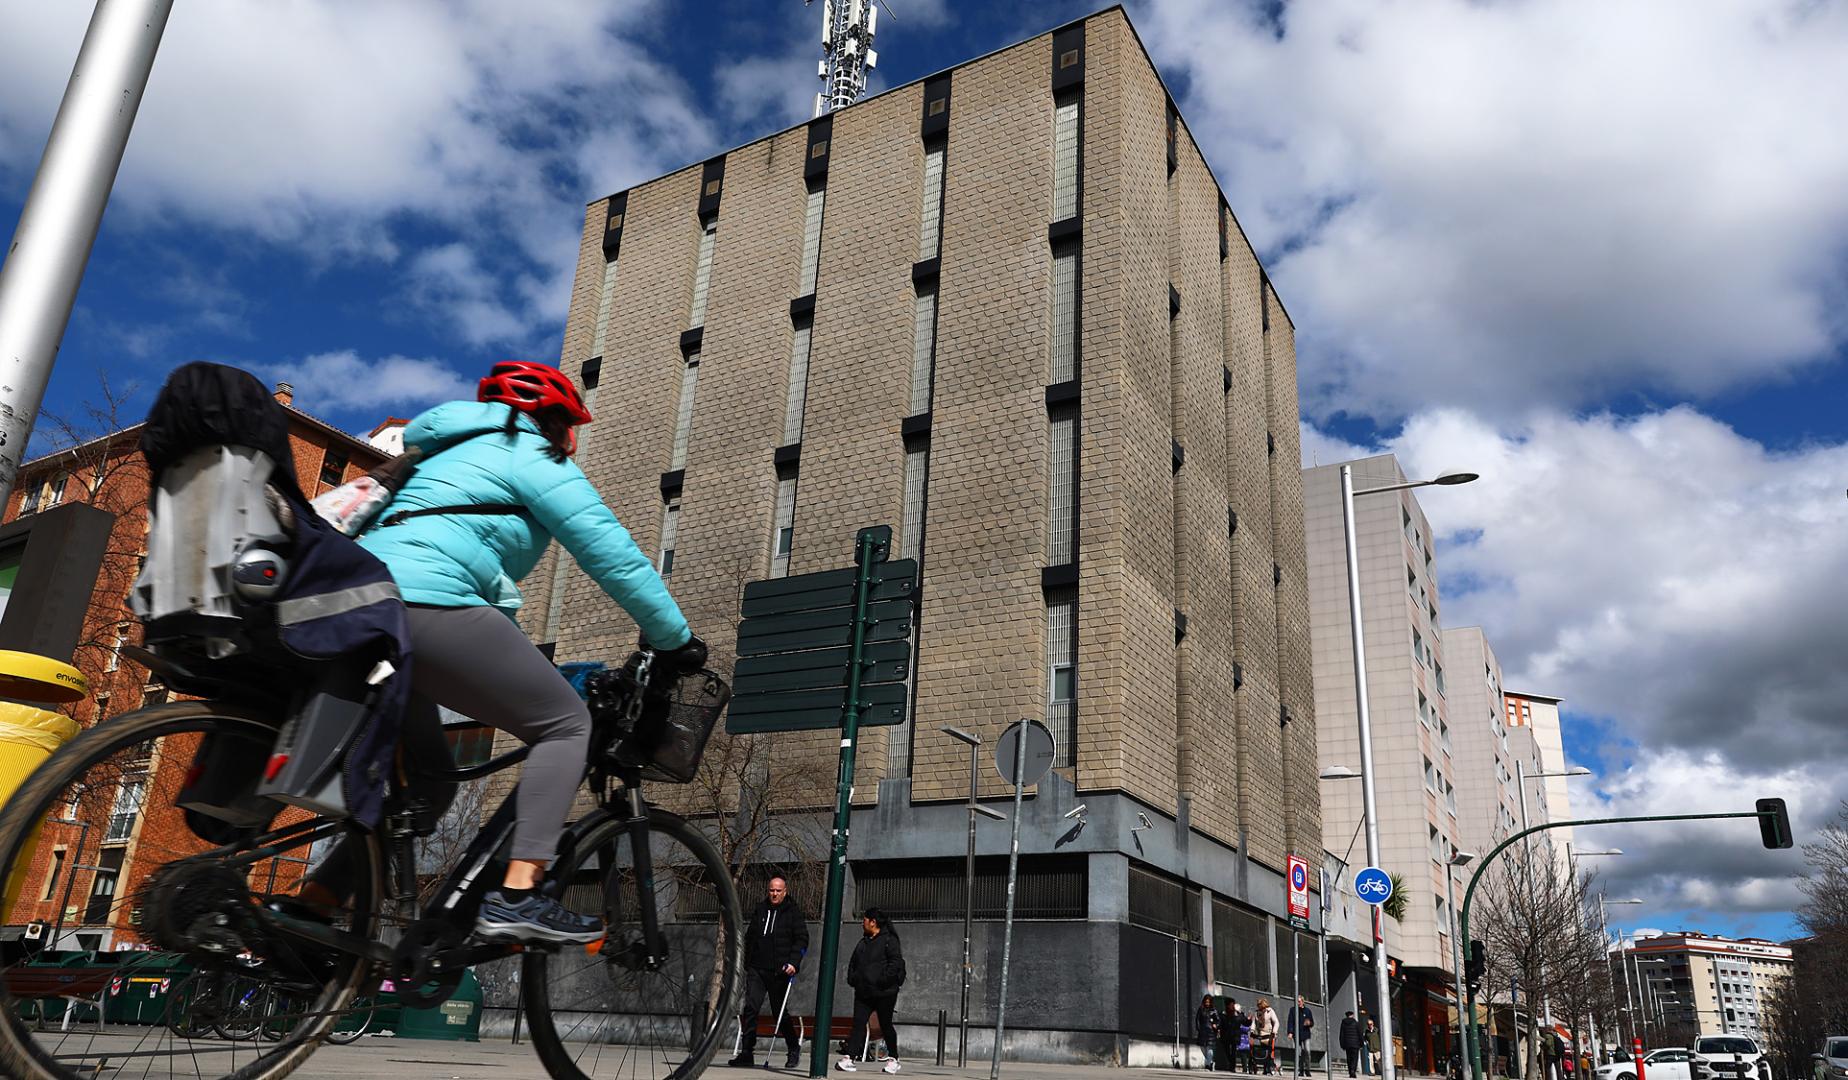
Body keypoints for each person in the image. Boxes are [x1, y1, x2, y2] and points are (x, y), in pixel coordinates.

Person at [298, 362, 704, 945]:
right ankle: (518, 895)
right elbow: (613, 556)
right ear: (559, 424)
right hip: (425, 605)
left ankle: (313, 906)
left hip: (359, 607)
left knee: (430, 785)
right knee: (565, 724)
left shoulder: (433, 457)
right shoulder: (531, 455)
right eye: (572, 430)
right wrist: (676, 639)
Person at [729, 875, 810, 1069]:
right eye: (771, 890)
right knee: (750, 1008)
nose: (774, 894)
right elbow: (750, 936)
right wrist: (746, 961)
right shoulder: (761, 908)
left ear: (785, 891)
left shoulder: (793, 912)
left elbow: (802, 939)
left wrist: (793, 962)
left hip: (779, 971)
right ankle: (747, 1052)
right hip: (757, 968)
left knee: (779, 1012)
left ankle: (793, 1048)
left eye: (778, 891)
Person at [839, 908, 905, 1074]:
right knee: (858, 1024)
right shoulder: (864, 942)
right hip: (864, 992)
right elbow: (853, 962)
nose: (863, 922)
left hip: (884, 993)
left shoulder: (889, 940)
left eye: (865, 920)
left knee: (885, 1025)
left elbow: (895, 963)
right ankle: (849, 1057)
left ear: (873, 922)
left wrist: (882, 981)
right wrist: (853, 978)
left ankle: (894, 1058)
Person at [1287, 995, 1315, 1076]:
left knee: (1307, 1051)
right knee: (1299, 1053)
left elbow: (1312, 1022)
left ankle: (1308, 1069)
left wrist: (1309, 1023)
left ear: (1303, 1002)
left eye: (1299, 1001)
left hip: (1306, 1034)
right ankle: (1301, 1070)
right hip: (1297, 1034)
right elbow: (1290, 1021)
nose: (1298, 1003)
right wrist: (1290, 1032)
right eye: (1296, 1001)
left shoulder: (1307, 1011)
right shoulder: (1293, 1010)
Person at [1196, 995, 1222, 1071]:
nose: (1207, 1003)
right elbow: (1197, 1019)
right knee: (1202, 1048)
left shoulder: (1214, 1010)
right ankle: (1211, 1062)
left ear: (1211, 1002)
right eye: (1206, 1001)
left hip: (1211, 1031)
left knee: (1209, 1049)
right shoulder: (1201, 1009)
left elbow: (1218, 1021)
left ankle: (1207, 1065)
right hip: (1203, 1031)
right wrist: (1198, 1028)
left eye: (1208, 1002)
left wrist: (1216, 1025)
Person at [1256, 997, 1280, 1075]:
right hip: (1262, 1034)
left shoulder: (1270, 1011)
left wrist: (1274, 1032)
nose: (1258, 1007)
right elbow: (1255, 1023)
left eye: (1260, 1005)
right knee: (1264, 1052)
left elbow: (1276, 1022)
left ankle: (1269, 1068)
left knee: (1269, 1052)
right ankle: (1265, 1068)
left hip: (1270, 1034)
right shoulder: (1258, 1013)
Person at [1217, 998, 1240, 1073]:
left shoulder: (1236, 1014)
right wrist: (1217, 1027)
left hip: (1234, 1036)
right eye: (1231, 1004)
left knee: (1233, 1052)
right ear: (1227, 1006)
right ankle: (1231, 1064)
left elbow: (1244, 1021)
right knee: (1227, 1051)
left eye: (1233, 1004)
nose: (1232, 1006)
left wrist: (1249, 1020)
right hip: (1226, 1035)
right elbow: (1220, 1023)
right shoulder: (1223, 1014)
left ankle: (1232, 1067)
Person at [1340, 1011, 1364, 1078]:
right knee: (1354, 1058)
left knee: (1349, 1058)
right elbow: (1360, 1034)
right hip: (1355, 1044)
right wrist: (1361, 1044)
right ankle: (1353, 1070)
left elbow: (1341, 1035)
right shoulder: (1356, 1023)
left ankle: (1350, 1071)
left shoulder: (1343, 1023)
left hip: (1347, 1044)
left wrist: (1342, 1044)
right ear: (1352, 1015)